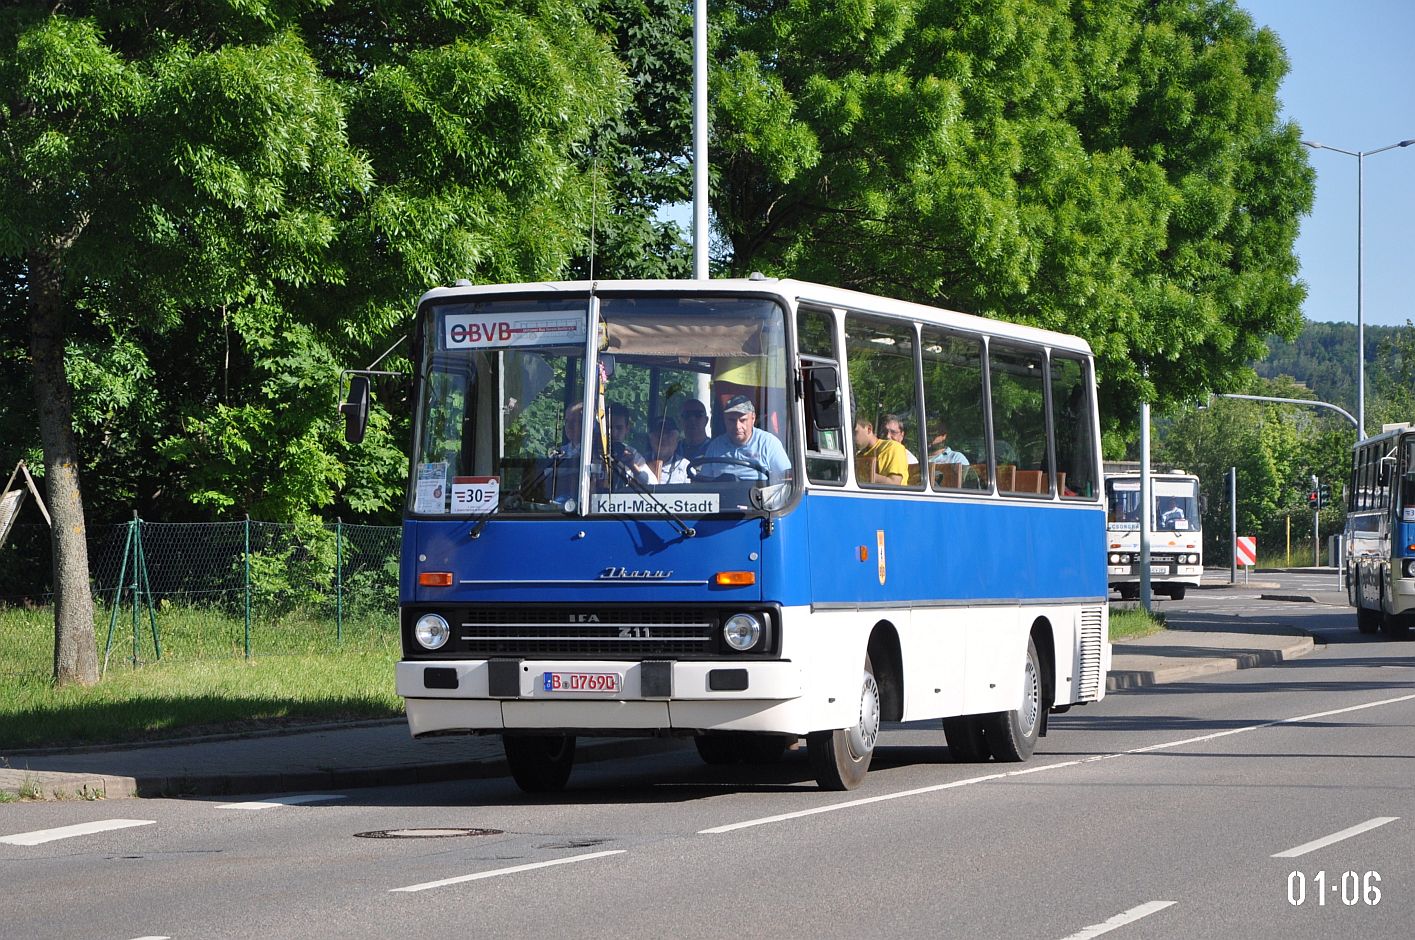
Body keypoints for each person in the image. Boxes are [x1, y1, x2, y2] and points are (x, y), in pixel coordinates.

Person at [699, 395, 791, 480]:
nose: (737, 426)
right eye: (731, 420)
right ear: (724, 420)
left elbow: (786, 478)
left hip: (759, 496)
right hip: (724, 496)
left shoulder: (768, 443)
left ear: (753, 418)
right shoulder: (716, 446)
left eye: (742, 420)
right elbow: (704, 483)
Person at [607, 405, 656, 485]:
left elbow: (653, 485)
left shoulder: (631, 454)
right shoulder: (589, 452)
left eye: (619, 428)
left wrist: (632, 467)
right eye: (608, 427)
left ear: (627, 429)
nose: (613, 433)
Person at [854, 416, 909, 485]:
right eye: (884, 431)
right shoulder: (859, 455)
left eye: (855, 432)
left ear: (869, 429)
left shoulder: (894, 448)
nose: (888, 436)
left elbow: (895, 484)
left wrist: (857, 475)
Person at [647, 417, 692, 484]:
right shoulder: (638, 463)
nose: (663, 437)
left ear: (677, 439)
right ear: (650, 438)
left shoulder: (686, 467)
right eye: (658, 433)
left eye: (669, 434)